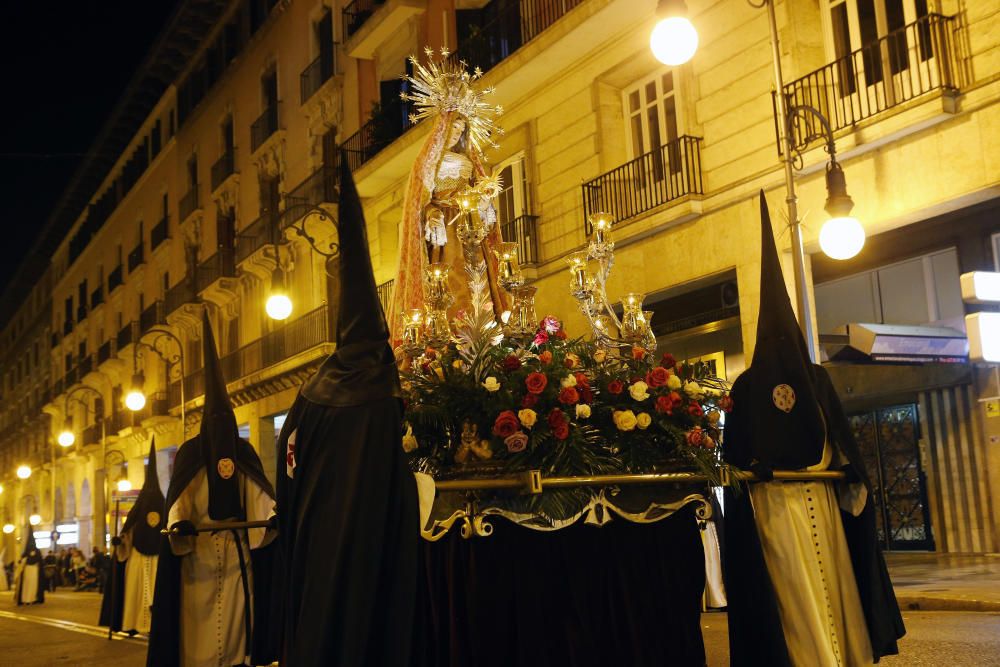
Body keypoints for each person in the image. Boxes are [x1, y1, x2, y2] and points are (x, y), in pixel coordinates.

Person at [721, 193, 905, 666]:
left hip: (821, 506)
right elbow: (736, 462)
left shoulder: (816, 380)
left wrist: (846, 477)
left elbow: (843, 448)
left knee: (835, 600)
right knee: (792, 603)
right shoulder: (747, 387)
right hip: (775, 514)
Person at [274, 155, 419, 665]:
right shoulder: (387, 391)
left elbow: (286, 463)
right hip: (376, 544)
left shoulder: (312, 392)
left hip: (317, 540)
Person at [147, 311, 277, 667]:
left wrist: (272, 517)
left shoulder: (244, 453)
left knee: (237, 621)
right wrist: (180, 525)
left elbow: (260, 498)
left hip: (237, 556)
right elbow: (179, 502)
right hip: (198, 557)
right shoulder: (190, 454)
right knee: (197, 623)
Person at [101, 440, 164, 634]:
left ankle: (155, 624)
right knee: (136, 591)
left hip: (158, 558)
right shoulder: (147, 509)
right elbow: (126, 534)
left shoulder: (160, 507)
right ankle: (132, 623)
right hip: (138, 556)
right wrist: (119, 541)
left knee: (153, 589)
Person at [13, 523, 44, 605]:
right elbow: (21, 560)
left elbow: (38, 561)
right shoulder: (28, 552)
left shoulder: (36, 552)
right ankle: (26, 599)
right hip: (29, 570)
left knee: (32, 585)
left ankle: (32, 598)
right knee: (27, 585)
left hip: (33, 570)